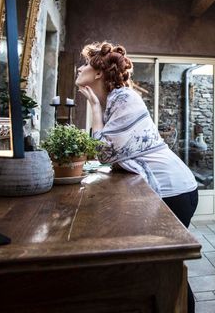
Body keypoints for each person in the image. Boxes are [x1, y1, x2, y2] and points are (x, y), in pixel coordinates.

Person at [76, 41, 199, 313]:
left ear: (98, 73)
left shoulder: (124, 98)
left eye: (85, 64)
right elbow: (108, 151)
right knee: (157, 264)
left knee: (166, 264)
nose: (80, 67)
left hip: (174, 190)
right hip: (166, 189)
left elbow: (105, 152)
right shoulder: (113, 101)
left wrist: (95, 112)